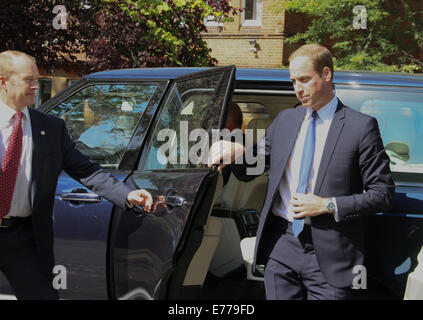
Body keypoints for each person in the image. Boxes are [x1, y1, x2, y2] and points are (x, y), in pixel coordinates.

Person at [208, 44, 395, 300]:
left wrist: (327, 204)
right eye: (293, 81)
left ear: (326, 74)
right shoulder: (286, 120)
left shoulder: (360, 127)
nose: (298, 88)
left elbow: (383, 194)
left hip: (330, 254)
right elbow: (252, 168)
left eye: (305, 79)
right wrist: (236, 152)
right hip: (281, 245)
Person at [0, 50, 153, 300]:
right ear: (3, 82)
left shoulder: (49, 128)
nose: (35, 86)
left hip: (23, 237)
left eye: (36, 79)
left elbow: (86, 169)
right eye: (28, 79)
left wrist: (127, 194)